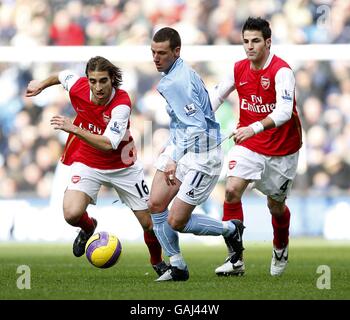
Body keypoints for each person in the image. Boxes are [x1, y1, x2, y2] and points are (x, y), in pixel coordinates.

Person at [25, 56, 168, 276]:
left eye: (103, 81)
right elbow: (62, 76)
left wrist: (74, 128)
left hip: (123, 166)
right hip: (87, 162)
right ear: (87, 79)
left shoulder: (121, 103)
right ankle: (88, 227)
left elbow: (109, 144)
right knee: (71, 214)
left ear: (112, 79)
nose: (98, 87)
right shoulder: (78, 86)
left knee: (148, 224)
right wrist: (41, 85)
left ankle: (157, 262)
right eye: (93, 81)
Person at [148, 27, 244, 282]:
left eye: (162, 53)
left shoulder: (178, 81)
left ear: (176, 51)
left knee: (176, 221)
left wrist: (173, 156)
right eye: (153, 52)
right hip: (183, 147)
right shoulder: (176, 73)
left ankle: (230, 229)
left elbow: (198, 127)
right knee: (155, 203)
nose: (156, 58)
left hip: (203, 156)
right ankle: (177, 266)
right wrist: (172, 148)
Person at [210, 17, 302, 276]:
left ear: (268, 42)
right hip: (248, 143)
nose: (249, 46)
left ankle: (280, 245)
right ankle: (235, 259)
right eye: (246, 41)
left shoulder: (282, 71)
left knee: (276, 206)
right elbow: (215, 96)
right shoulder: (238, 69)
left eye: (255, 41)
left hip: (282, 149)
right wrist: (197, 119)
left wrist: (255, 127)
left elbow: (285, 111)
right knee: (231, 190)